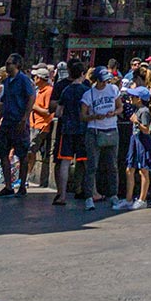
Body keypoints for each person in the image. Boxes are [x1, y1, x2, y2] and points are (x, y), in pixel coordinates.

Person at [0, 55, 36, 197]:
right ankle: (8, 186)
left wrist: (24, 118)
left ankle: (22, 186)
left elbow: (31, 97)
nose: (7, 66)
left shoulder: (23, 80)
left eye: (9, 63)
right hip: (7, 121)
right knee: (2, 153)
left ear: (17, 65)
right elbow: (5, 102)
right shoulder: (6, 82)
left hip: (19, 121)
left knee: (22, 154)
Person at [81, 66, 122, 210]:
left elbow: (120, 107)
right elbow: (83, 115)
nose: (105, 83)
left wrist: (114, 113)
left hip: (111, 128)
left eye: (106, 80)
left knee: (112, 165)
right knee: (92, 165)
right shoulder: (88, 94)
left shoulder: (113, 90)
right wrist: (94, 116)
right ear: (96, 80)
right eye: (102, 81)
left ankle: (113, 194)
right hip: (95, 131)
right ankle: (89, 196)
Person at [51, 60, 90, 207]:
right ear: (81, 74)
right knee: (86, 161)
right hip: (82, 129)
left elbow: (58, 112)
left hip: (67, 129)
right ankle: (90, 192)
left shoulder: (65, 90)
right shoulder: (86, 90)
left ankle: (62, 195)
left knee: (65, 163)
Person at [122, 99, 151, 210]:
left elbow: (146, 130)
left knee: (144, 170)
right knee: (129, 169)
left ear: (139, 99)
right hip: (135, 140)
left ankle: (142, 199)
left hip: (143, 142)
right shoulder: (136, 109)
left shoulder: (144, 111)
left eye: (134, 96)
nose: (131, 98)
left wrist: (136, 122)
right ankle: (128, 199)